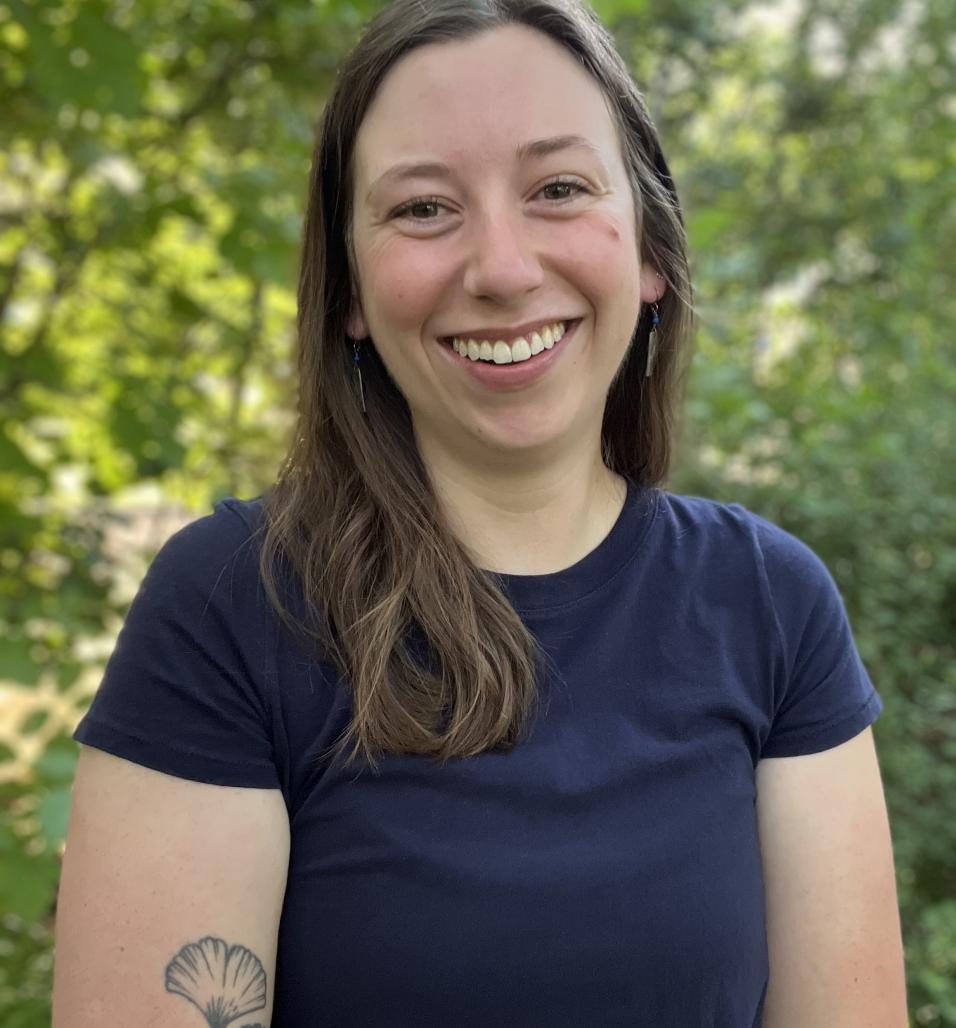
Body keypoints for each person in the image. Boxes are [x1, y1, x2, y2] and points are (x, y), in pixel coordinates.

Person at [52, 1, 908, 1025]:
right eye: (421, 208)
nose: (501, 269)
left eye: (556, 188)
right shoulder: (234, 605)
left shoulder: (769, 603)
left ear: (648, 254)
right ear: (353, 291)